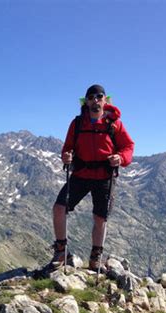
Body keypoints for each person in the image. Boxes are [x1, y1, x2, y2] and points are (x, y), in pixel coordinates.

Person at [51, 84, 134, 272]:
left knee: (100, 218)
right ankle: (60, 251)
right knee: (59, 208)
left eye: (99, 97)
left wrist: (120, 158)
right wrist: (66, 156)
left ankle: (96, 257)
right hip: (81, 173)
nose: (95, 100)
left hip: (104, 176)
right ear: (86, 101)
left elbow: (128, 146)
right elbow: (67, 147)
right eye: (91, 97)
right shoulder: (78, 123)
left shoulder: (114, 124)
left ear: (105, 100)